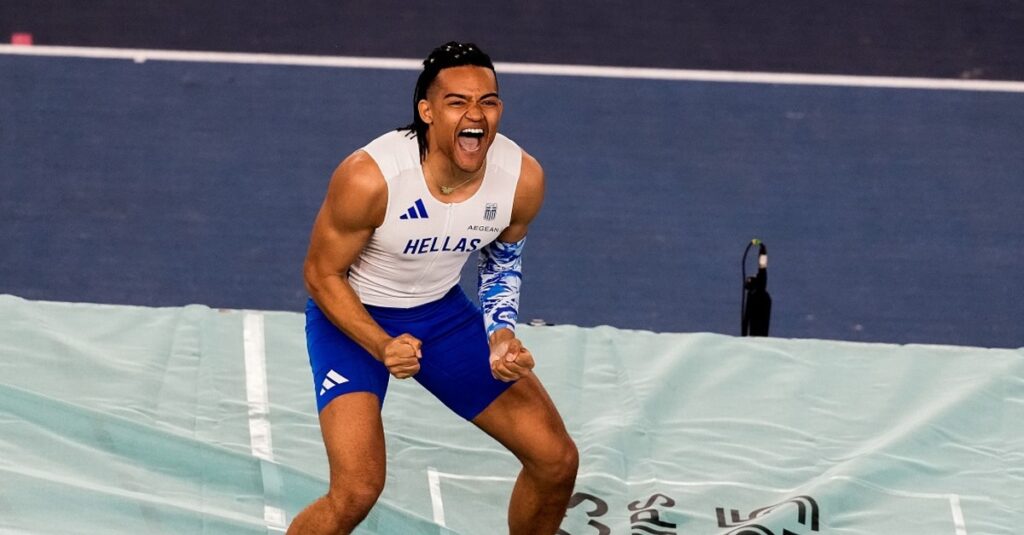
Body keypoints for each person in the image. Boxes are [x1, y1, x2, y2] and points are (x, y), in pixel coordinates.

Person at [288, 42, 579, 535]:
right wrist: (381, 345)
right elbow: (321, 275)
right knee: (356, 489)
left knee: (556, 460)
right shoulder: (370, 178)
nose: (476, 114)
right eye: (457, 102)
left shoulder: (521, 178)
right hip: (353, 320)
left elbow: (501, 262)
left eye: (488, 102)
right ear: (427, 111)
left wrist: (501, 335)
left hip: (442, 316)